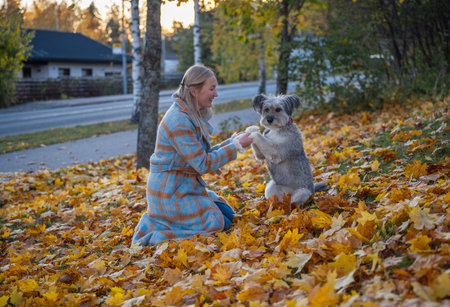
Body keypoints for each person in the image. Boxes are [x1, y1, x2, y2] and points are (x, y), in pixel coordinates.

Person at [132, 64, 253, 246]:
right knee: (223, 225)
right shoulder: (178, 121)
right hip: (169, 193)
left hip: (183, 187)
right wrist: (235, 147)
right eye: (211, 89)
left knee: (229, 215)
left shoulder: (190, 115)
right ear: (194, 91)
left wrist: (232, 141)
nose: (216, 94)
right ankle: (158, 234)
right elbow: (203, 164)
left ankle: (163, 222)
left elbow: (202, 154)